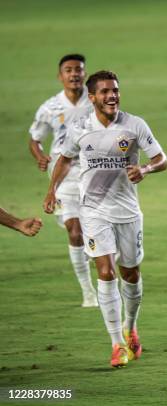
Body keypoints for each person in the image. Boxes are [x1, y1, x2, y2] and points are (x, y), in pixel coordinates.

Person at [43, 70, 167, 368]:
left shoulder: (135, 125)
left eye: (115, 90)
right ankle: (116, 344)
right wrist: (52, 190)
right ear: (93, 97)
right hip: (94, 211)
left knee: (131, 274)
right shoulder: (79, 128)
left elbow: (162, 159)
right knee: (106, 270)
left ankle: (130, 325)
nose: (112, 96)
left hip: (127, 212)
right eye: (105, 92)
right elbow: (64, 158)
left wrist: (146, 170)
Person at [28, 54, 97, 307]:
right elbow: (35, 138)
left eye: (78, 69)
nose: (74, 74)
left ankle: (100, 265)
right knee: (74, 230)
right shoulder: (50, 108)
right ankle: (88, 292)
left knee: (96, 229)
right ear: (60, 76)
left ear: (85, 74)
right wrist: (40, 156)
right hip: (63, 174)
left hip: (94, 172)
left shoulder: (95, 101)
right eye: (68, 70)